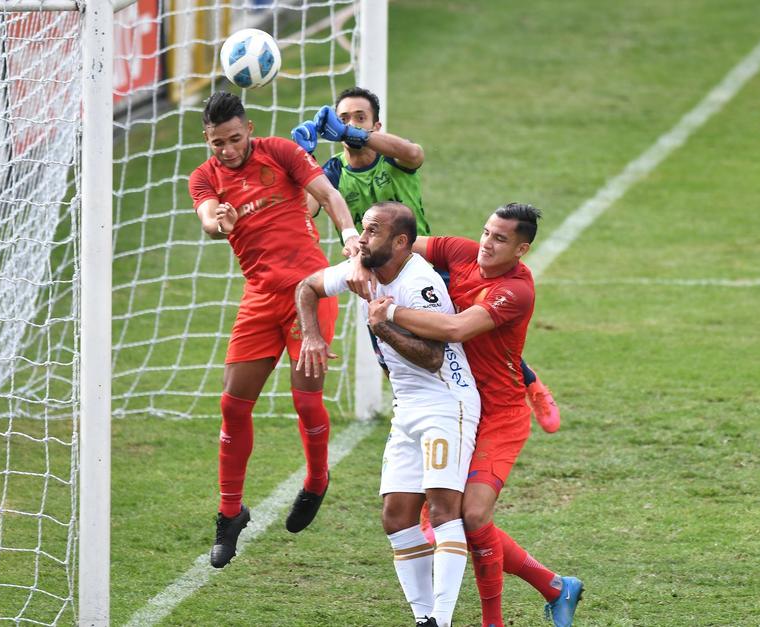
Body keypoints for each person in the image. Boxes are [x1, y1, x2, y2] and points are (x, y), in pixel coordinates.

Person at [291, 86, 561, 433]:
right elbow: (305, 209)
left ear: (376, 126)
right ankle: (413, 409)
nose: (351, 124)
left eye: (360, 118)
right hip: (375, 270)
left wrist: (350, 133)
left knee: (469, 337)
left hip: (424, 266)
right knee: (390, 349)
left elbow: (414, 153)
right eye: (343, 118)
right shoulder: (333, 171)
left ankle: (531, 385)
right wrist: (302, 165)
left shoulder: (391, 157)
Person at [368, 203, 584, 627]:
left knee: (472, 516)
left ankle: (493, 620)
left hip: (499, 414)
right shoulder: (461, 251)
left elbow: (456, 330)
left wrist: (387, 312)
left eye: (500, 239)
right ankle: (555, 587)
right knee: (440, 520)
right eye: (486, 232)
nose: (487, 243)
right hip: (453, 403)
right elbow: (399, 243)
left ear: (521, 249)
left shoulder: (516, 290)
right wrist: (362, 255)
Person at [188, 91, 362, 570]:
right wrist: (218, 221)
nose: (228, 149)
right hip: (261, 298)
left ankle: (317, 480)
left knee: (305, 400)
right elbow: (207, 219)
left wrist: (349, 236)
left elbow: (327, 195)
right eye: (218, 142)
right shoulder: (204, 177)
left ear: (249, 129)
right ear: (207, 139)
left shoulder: (281, 152)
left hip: (310, 290)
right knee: (232, 405)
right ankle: (230, 513)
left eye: (235, 139)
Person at [295, 202, 480, 627]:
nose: (361, 239)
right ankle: (423, 618)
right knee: (396, 517)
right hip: (407, 407)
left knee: (442, 510)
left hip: (445, 403)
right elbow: (306, 287)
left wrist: (383, 327)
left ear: (399, 242)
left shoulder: (420, 284)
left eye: (372, 231)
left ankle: (442, 620)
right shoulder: (364, 269)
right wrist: (312, 336)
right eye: (363, 229)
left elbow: (433, 358)